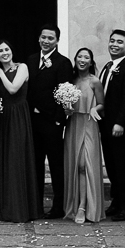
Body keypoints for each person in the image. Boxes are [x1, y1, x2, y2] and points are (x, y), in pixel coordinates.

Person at [27, 23, 73, 218]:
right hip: (33, 121)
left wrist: (58, 120)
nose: (46, 41)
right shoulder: (30, 60)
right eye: (43, 37)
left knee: (56, 165)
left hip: (52, 122)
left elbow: (65, 92)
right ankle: (35, 206)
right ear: (39, 38)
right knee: (35, 164)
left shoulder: (63, 63)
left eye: (50, 38)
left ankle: (58, 206)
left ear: (57, 41)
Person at [0, 38, 40, 222]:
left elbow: (13, 89)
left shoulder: (22, 67)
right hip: (2, 117)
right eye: (0, 51)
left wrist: (0, 73)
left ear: (12, 51)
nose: (4, 53)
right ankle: (7, 207)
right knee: (4, 159)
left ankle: (21, 209)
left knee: (16, 158)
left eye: (7, 49)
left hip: (18, 116)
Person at [99, 28, 125, 221]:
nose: (114, 45)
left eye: (119, 42)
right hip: (105, 125)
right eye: (112, 41)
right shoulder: (107, 66)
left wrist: (120, 123)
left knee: (122, 166)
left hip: (121, 127)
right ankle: (115, 201)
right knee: (111, 164)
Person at [63, 47, 105, 224]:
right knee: (75, 165)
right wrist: (66, 109)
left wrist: (95, 108)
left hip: (89, 123)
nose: (82, 60)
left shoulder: (95, 81)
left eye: (86, 57)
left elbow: (102, 103)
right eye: (79, 56)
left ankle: (83, 206)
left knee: (84, 165)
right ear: (75, 60)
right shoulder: (70, 81)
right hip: (74, 124)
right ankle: (77, 204)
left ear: (91, 61)